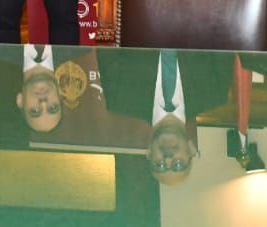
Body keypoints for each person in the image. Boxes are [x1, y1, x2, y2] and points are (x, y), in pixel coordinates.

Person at [95, 48, 234, 186]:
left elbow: (106, 38)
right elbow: (224, 36)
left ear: (149, 152)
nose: (168, 159)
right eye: (178, 164)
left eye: (159, 165)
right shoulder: (215, 91)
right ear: (191, 150)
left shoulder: (119, 97)